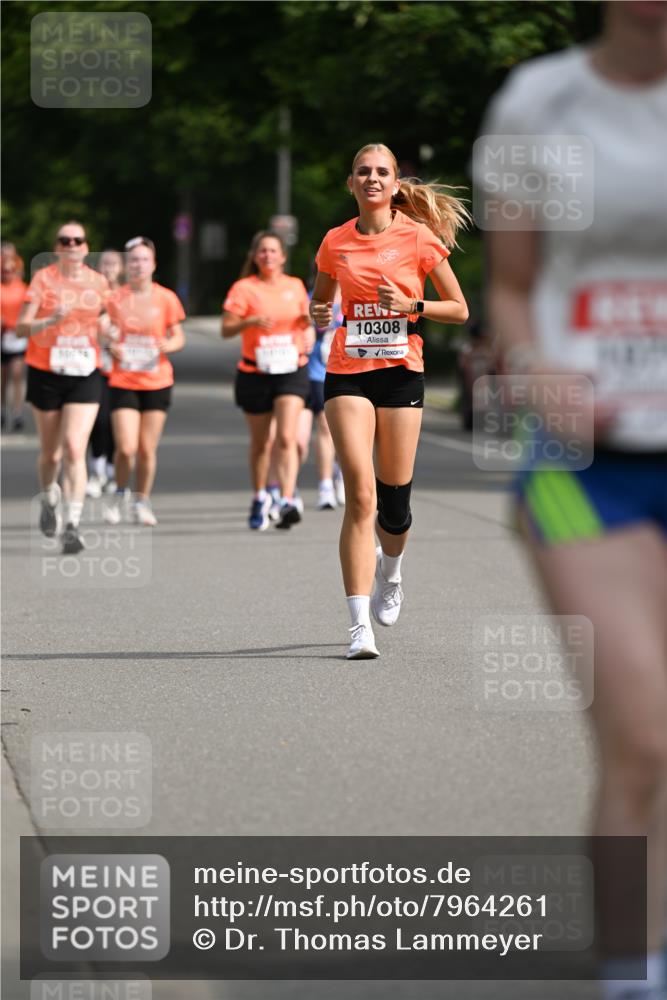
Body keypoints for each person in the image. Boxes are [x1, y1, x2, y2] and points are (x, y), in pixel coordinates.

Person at [477, 3, 667, 997]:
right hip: (578, 459)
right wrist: (535, 366)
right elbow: (510, 284)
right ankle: (632, 973)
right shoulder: (540, 103)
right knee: (642, 731)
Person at [311, 143, 469, 659]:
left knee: (394, 503)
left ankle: (392, 571)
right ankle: (358, 626)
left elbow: (459, 309)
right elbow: (322, 296)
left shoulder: (419, 237)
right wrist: (318, 313)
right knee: (360, 494)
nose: (372, 178)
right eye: (363, 172)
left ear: (396, 184)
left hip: (402, 372)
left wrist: (411, 304)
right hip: (348, 370)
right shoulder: (334, 241)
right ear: (351, 183)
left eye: (382, 172)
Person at [17, 220, 109, 554]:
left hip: (84, 372)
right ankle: (49, 496)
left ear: (86, 247)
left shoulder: (99, 282)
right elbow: (21, 329)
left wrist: (110, 330)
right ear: (57, 247)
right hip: (46, 372)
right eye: (64, 240)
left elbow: (107, 318)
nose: (71, 245)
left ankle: (72, 523)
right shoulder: (43, 280)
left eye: (77, 240)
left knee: (74, 448)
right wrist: (51, 319)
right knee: (51, 452)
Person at [222, 231, 314, 531]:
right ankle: (261, 495)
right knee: (262, 443)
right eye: (262, 251)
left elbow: (307, 319)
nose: (268, 256)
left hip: (291, 369)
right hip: (255, 372)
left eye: (273, 251)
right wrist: (248, 321)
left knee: (288, 438)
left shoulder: (295, 286)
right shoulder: (243, 288)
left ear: (283, 257)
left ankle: (287, 499)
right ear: (255, 256)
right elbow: (226, 329)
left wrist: (310, 328)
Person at [103, 237, 185, 527]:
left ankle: (142, 500)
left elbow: (178, 336)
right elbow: (103, 331)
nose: (138, 265)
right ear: (127, 265)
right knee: (126, 447)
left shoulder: (166, 298)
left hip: (157, 380)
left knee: (147, 449)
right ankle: (120, 492)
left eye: (143, 260)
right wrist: (109, 344)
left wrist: (168, 345)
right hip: (123, 379)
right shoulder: (115, 298)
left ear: (153, 264)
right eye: (133, 260)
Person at [86, 249, 124, 498]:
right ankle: (96, 469)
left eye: (113, 263)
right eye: (105, 263)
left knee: (115, 423)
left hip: (122, 369)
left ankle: (112, 470)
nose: (109, 267)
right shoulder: (91, 296)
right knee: (97, 421)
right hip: (95, 365)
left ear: (121, 268)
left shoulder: (127, 296)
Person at [1, 246, 28, 431]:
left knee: (17, 375)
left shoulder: (22, 288)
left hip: (16, 336)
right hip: (2, 336)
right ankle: (3, 409)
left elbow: (27, 311)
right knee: (3, 377)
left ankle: (17, 412)